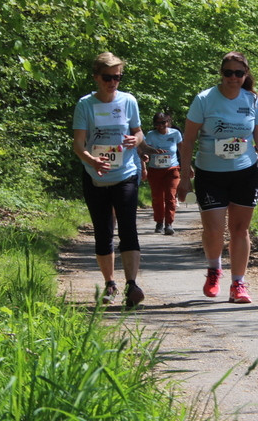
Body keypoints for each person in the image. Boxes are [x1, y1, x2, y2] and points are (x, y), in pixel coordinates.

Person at [177, 52, 258, 304]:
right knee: (213, 230)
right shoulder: (204, 99)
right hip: (210, 173)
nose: (233, 78)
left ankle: (239, 283)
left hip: (245, 172)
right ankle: (214, 270)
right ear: (221, 74)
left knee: (240, 229)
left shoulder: (252, 100)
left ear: (245, 75)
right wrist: (184, 175)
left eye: (239, 73)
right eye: (228, 73)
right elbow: (188, 139)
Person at [71, 52, 145, 308]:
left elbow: (138, 132)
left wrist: (136, 140)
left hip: (125, 172)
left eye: (118, 77)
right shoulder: (85, 105)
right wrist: (92, 160)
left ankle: (132, 284)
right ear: (96, 78)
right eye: (107, 77)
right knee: (103, 232)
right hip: (95, 175)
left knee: (128, 228)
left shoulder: (128, 101)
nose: (113, 82)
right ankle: (110, 283)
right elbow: (78, 144)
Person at [141, 111, 183, 235]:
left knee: (171, 196)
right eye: (158, 123)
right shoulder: (150, 135)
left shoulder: (176, 133)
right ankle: (159, 222)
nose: (161, 125)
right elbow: (144, 150)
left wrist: (187, 166)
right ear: (154, 124)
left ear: (168, 122)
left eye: (163, 122)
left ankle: (169, 224)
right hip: (155, 170)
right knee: (157, 197)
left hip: (172, 169)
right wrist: (145, 157)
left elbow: (182, 150)